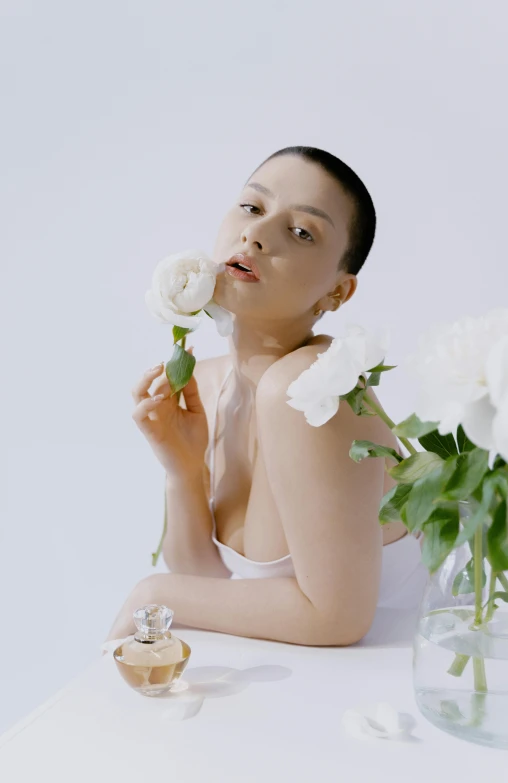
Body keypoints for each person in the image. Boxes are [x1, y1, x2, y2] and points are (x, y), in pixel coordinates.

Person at [104, 146, 427, 647]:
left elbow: (337, 620)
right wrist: (183, 473)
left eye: (302, 232)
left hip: (404, 691)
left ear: (338, 294)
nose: (255, 234)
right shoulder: (206, 384)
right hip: (303, 687)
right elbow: (215, 584)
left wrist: (153, 593)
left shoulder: (313, 390)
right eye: (252, 208)